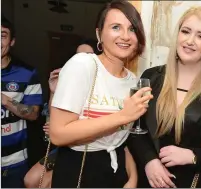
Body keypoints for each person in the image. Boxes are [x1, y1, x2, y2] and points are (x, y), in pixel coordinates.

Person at [128, 6, 201, 188]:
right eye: (185, 31)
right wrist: (149, 161)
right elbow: (135, 129)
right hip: (149, 181)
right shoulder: (152, 77)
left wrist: (193, 155)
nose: (190, 41)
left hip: (195, 182)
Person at [48, 1, 153, 187]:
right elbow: (58, 134)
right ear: (99, 34)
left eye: (132, 29)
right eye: (115, 27)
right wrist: (122, 116)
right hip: (80, 167)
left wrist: (132, 176)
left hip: (117, 168)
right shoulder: (83, 65)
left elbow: (120, 140)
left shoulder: (132, 80)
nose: (125, 36)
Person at [24, 38, 137, 188]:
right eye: (79, 55)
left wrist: (133, 177)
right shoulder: (74, 73)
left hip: (101, 156)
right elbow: (55, 124)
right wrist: (54, 92)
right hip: (68, 149)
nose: (84, 59)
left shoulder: (117, 81)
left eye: (89, 54)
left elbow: (121, 138)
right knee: (32, 179)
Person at [1, 16, 43, 188]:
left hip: (13, 165)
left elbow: (34, 114)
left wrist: (5, 100)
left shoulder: (27, 74)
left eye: (2, 35)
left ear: (12, 41)